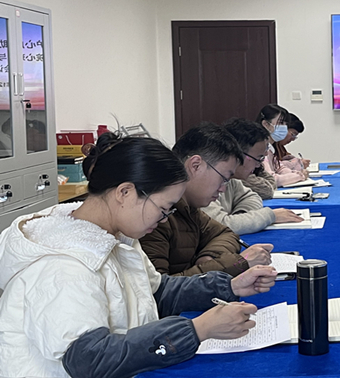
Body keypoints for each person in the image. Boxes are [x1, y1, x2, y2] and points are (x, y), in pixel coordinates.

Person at [0, 133, 277, 377]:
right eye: (164, 209)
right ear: (124, 192)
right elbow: (90, 361)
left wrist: (228, 286)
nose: (165, 219)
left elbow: (155, 291)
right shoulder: (63, 266)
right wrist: (196, 330)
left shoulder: (115, 237)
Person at [140, 123, 273, 277]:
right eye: (223, 179)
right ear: (195, 166)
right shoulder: (156, 217)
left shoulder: (189, 208)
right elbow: (160, 287)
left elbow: (226, 234)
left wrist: (209, 258)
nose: (223, 189)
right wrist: (238, 263)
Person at [203, 118, 304, 234]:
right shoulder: (206, 181)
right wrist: (270, 216)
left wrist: (241, 218)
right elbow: (220, 225)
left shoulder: (232, 179)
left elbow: (252, 197)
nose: (258, 165)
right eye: (259, 158)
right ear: (237, 153)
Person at [256, 104, 308, 187]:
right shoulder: (259, 148)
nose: (284, 127)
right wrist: (299, 176)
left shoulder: (270, 147)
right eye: (280, 123)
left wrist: (296, 173)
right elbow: (272, 179)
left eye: (285, 124)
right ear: (266, 124)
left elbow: (279, 168)